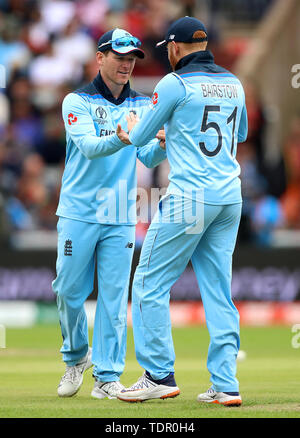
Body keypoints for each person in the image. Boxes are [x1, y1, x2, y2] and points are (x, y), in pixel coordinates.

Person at [116, 16, 248, 405]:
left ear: (174, 48)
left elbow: (140, 140)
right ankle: (225, 384)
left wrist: (133, 130)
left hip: (191, 197)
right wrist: (174, 134)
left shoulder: (173, 82)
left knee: (148, 283)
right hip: (229, 197)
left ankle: (159, 374)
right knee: (219, 291)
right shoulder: (234, 83)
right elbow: (235, 137)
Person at [52, 28, 166, 400]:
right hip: (79, 211)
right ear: (100, 58)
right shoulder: (76, 101)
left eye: (132, 58)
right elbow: (88, 147)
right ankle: (76, 357)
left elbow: (145, 156)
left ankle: (107, 376)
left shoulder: (143, 105)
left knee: (115, 298)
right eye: (119, 57)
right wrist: (122, 136)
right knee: (69, 289)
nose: (127, 64)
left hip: (119, 212)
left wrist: (165, 143)